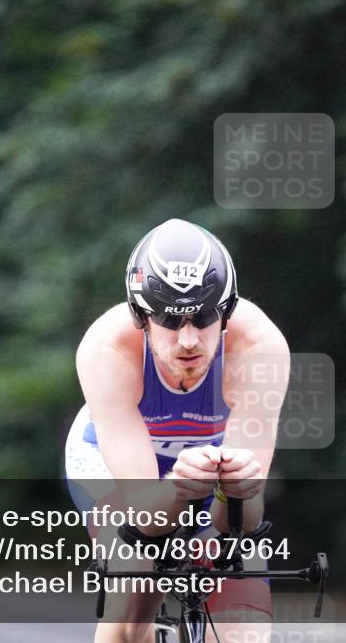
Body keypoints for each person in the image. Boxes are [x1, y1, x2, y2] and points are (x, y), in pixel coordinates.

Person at [66, 218, 290, 643]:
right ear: (141, 316)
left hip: (212, 466)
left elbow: (241, 524)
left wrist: (235, 491)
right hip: (110, 469)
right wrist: (179, 488)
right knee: (131, 613)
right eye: (170, 320)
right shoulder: (106, 348)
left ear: (226, 311)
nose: (188, 340)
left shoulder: (260, 347)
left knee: (244, 632)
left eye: (203, 317)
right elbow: (144, 516)